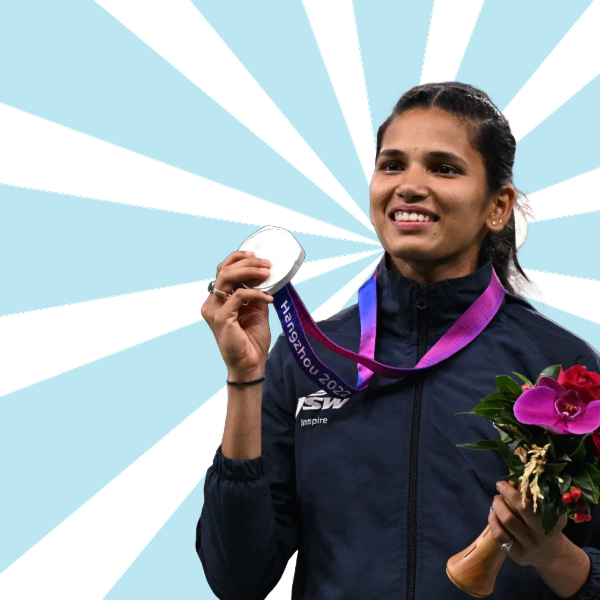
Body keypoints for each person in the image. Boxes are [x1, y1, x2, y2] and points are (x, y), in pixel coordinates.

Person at [196, 82, 600, 599]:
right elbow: (237, 579)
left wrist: (552, 555)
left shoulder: (561, 369)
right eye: (392, 165)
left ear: (497, 207)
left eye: (443, 168)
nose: (409, 186)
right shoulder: (305, 358)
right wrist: (245, 379)